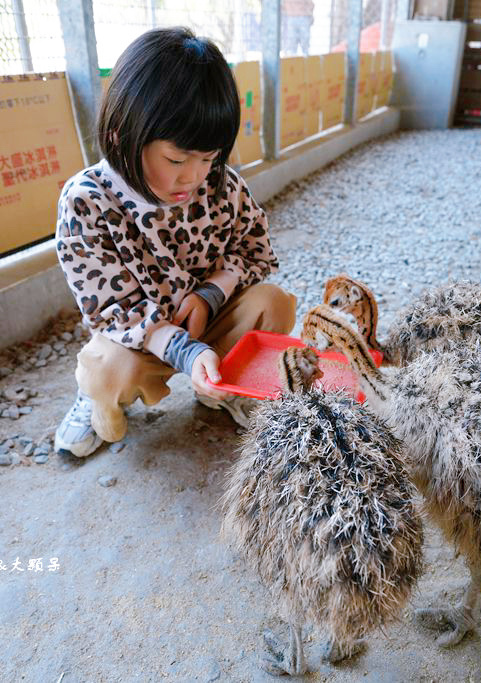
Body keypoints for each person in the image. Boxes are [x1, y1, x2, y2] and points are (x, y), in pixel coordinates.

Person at [53, 27, 297, 458]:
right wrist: (182, 348)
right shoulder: (88, 201)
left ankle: (218, 385)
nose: (194, 177)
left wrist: (209, 295)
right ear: (121, 134)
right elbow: (111, 309)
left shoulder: (221, 185)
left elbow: (253, 251)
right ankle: (95, 399)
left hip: (209, 318)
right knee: (108, 369)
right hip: (139, 338)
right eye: (177, 159)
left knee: (272, 302)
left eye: (208, 158)